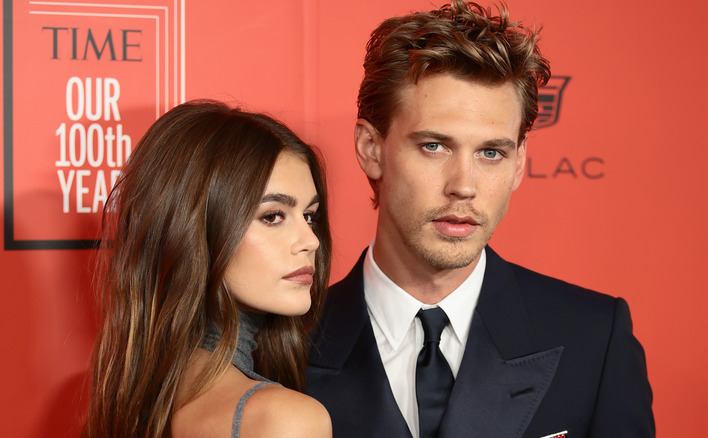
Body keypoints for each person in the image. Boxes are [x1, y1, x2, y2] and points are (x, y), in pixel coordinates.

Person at [305, 1, 654, 437]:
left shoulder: (594, 337)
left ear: (519, 163)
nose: (464, 186)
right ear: (371, 148)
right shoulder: (286, 344)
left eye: (491, 153)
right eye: (434, 146)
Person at [82, 100, 333, 437]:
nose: (310, 240)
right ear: (196, 231)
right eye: (272, 216)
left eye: (309, 216)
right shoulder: (284, 421)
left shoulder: (130, 397)